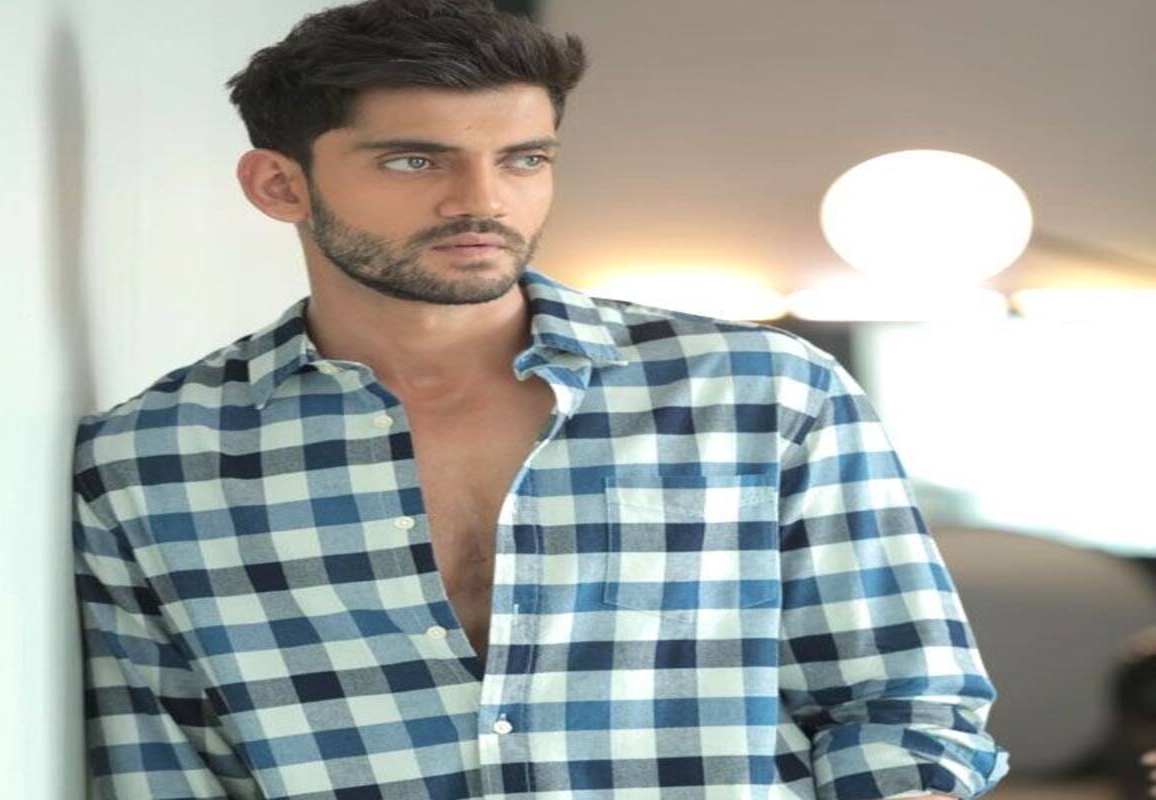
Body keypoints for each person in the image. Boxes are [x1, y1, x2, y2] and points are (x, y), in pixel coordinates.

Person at [70, 1, 1009, 798]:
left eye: (523, 159)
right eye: (415, 161)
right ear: (281, 185)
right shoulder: (152, 462)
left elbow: (905, 702)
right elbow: (163, 767)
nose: (481, 201)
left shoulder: (763, 392)